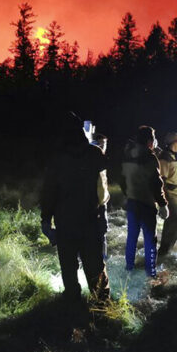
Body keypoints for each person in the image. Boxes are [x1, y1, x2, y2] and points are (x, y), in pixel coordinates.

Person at [41, 113, 110, 301]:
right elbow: (102, 189)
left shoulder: (56, 158)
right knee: (95, 266)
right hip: (90, 220)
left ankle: (72, 301)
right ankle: (101, 304)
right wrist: (102, 213)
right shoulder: (95, 154)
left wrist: (46, 220)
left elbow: (49, 192)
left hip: (65, 221)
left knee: (68, 266)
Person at [121, 125, 169, 279]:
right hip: (147, 204)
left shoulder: (128, 154)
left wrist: (127, 194)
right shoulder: (150, 158)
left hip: (132, 203)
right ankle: (151, 274)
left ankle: (128, 269)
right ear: (149, 141)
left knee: (131, 238)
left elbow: (122, 179)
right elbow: (156, 183)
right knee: (150, 241)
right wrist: (163, 204)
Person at [157, 131, 177, 257]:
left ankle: (163, 251)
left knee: (169, 223)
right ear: (175, 142)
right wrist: (164, 200)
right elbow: (162, 180)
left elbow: (173, 179)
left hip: (174, 195)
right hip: (169, 196)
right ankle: (167, 250)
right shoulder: (165, 158)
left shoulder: (171, 156)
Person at [91, 132, 111, 260]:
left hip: (102, 202)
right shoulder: (92, 158)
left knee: (102, 231)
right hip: (92, 203)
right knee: (94, 232)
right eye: (101, 144)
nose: (103, 147)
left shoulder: (101, 159)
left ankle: (103, 258)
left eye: (105, 144)